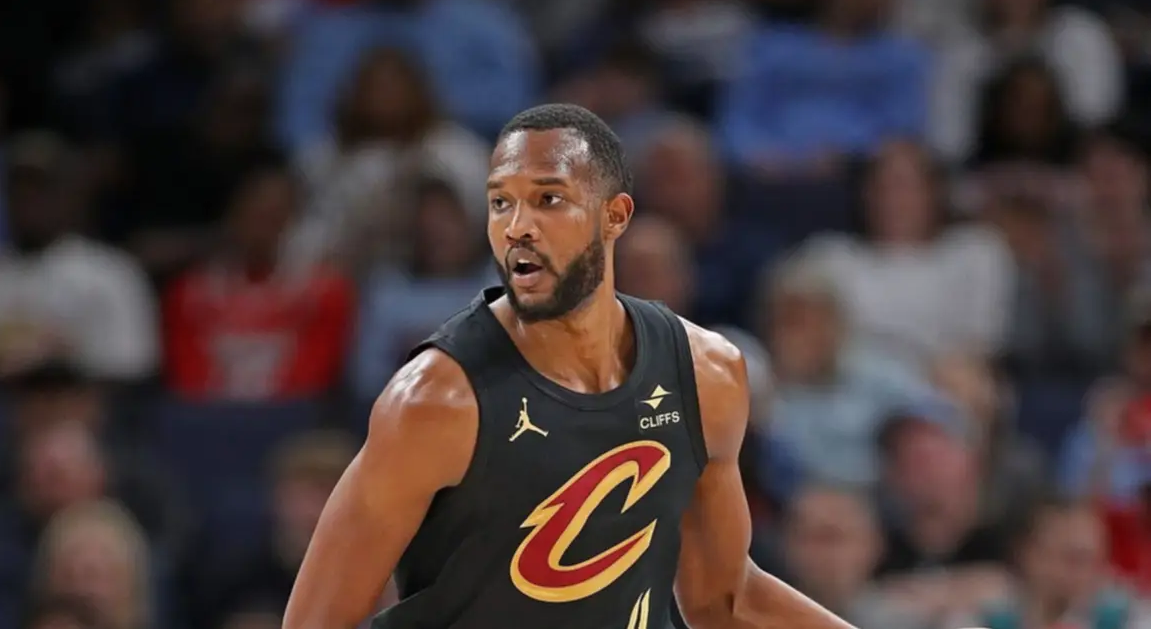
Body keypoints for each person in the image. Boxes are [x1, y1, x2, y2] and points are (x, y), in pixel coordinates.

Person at [284, 104, 917, 629]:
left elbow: (724, 600)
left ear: (615, 216)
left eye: (548, 199)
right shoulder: (435, 400)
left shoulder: (707, 375)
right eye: (501, 203)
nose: (518, 227)